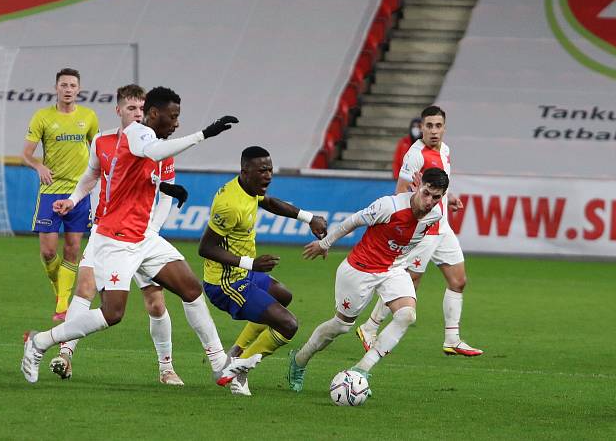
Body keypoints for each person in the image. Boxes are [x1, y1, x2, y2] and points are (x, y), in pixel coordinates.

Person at [20, 86, 261, 388]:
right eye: (173, 117)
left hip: (144, 237)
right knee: (113, 313)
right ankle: (40, 342)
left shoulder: (153, 140)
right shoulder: (137, 133)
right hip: (117, 238)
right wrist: (205, 133)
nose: (177, 123)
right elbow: (151, 153)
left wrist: (166, 188)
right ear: (155, 114)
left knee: (190, 289)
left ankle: (219, 364)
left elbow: (146, 171)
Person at [48, 84, 187, 386]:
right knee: (84, 288)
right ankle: (65, 353)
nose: (137, 114)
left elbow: (165, 196)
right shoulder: (102, 141)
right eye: (131, 109)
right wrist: (72, 200)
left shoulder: (158, 148)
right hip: (105, 230)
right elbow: (90, 177)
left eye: (141, 109)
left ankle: (166, 367)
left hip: (141, 235)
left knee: (155, 303)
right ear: (119, 110)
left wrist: (152, 231)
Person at [287, 168, 450, 392]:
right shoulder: (388, 206)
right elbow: (353, 221)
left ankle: (361, 371)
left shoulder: (436, 214)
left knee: (406, 315)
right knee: (341, 326)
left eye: (437, 197)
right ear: (418, 186)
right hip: (359, 270)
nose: (430, 201)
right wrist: (324, 244)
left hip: (392, 269)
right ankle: (300, 360)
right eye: (427, 193)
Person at [198, 146, 327, 396]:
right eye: (262, 171)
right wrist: (251, 264)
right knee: (288, 325)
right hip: (225, 283)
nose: (268, 175)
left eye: (270, 169)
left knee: (283, 296)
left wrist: (308, 218)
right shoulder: (229, 205)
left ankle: (235, 354)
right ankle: (239, 370)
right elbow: (205, 248)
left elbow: (269, 203)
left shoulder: (249, 189)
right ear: (245, 171)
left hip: (244, 273)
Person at [356, 105, 483, 357]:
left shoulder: (445, 150)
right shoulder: (415, 154)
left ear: (444, 128)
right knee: (410, 282)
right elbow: (401, 192)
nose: (434, 131)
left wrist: (450, 198)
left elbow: (439, 185)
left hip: (442, 226)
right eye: (429, 126)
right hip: (424, 229)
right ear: (421, 128)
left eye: (438, 126)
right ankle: (369, 327)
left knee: (458, 281)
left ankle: (452, 339)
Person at [22, 68, 99, 321]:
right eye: (63, 85)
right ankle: (60, 291)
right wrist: (38, 165)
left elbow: (97, 150)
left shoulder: (88, 117)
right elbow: (26, 153)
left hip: (78, 193)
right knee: (47, 252)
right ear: (56, 88)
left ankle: (62, 305)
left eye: (72, 85)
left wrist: (99, 178)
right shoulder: (42, 117)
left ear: (78, 89)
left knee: (73, 249)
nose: (68, 89)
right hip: (50, 193)